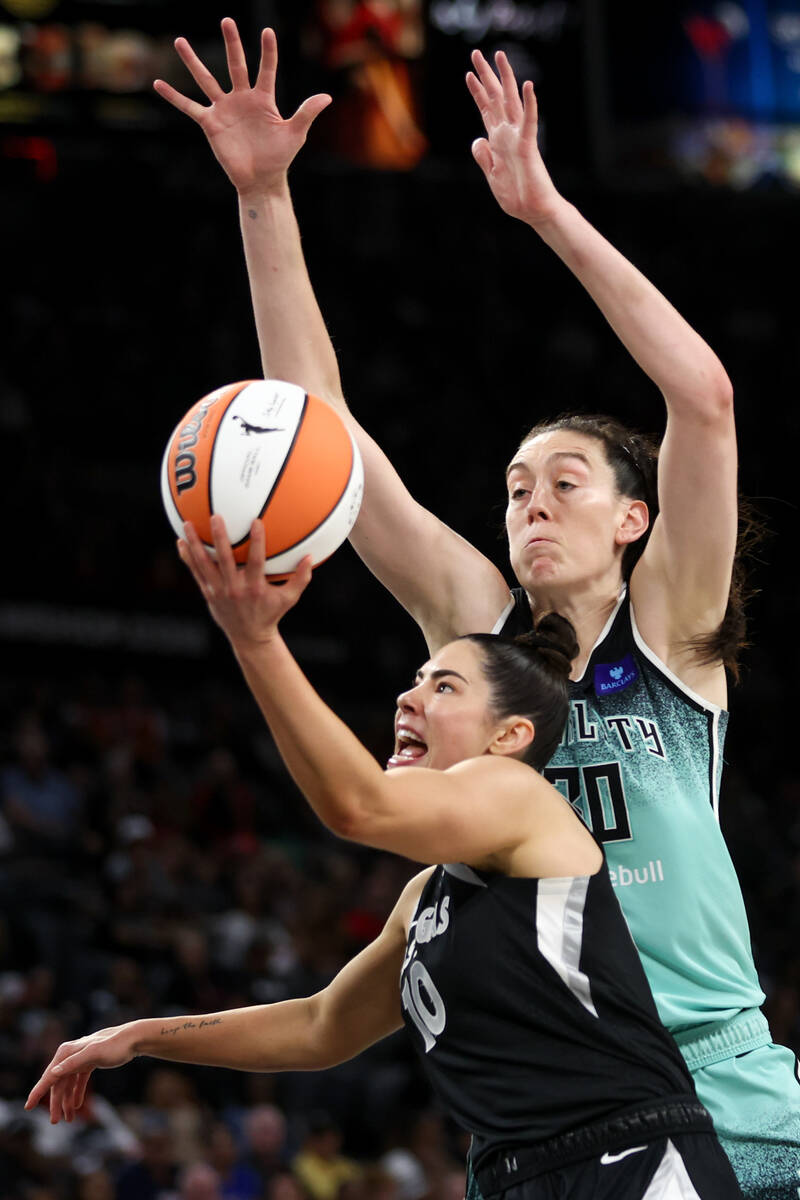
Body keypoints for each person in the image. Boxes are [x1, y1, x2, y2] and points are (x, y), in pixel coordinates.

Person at [152, 20, 800, 1198]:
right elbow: (318, 433)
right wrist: (262, 198)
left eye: (564, 483)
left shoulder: (667, 632)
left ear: (632, 519)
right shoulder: (476, 628)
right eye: (512, 488)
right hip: (575, 1107)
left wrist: (545, 211)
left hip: (728, 1081)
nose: (530, 502)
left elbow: (700, 398)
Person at [26, 517, 742, 1199]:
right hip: (515, 1174)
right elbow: (319, 1026)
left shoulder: (521, 798)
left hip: (630, 1154)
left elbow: (355, 807)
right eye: (417, 679)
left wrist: (256, 640)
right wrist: (141, 1036)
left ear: (509, 736)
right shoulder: (426, 897)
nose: (408, 697)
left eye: (444, 686)